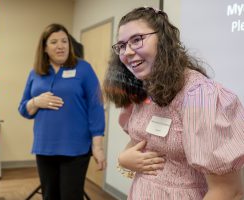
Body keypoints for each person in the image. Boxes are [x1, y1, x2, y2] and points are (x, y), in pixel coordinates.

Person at [103, 7, 244, 200]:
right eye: (121, 45)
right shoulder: (147, 88)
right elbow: (145, 139)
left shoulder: (200, 95)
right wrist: (124, 159)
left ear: (163, 39)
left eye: (136, 40)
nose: (127, 52)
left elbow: (229, 191)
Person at [18, 23, 106, 200]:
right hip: (44, 147)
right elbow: (23, 109)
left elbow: (96, 106)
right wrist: (36, 101)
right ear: (44, 47)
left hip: (76, 148)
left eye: (64, 41)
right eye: (54, 42)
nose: (60, 46)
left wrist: (97, 146)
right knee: (49, 196)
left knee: (70, 196)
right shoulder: (35, 73)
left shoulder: (84, 68)